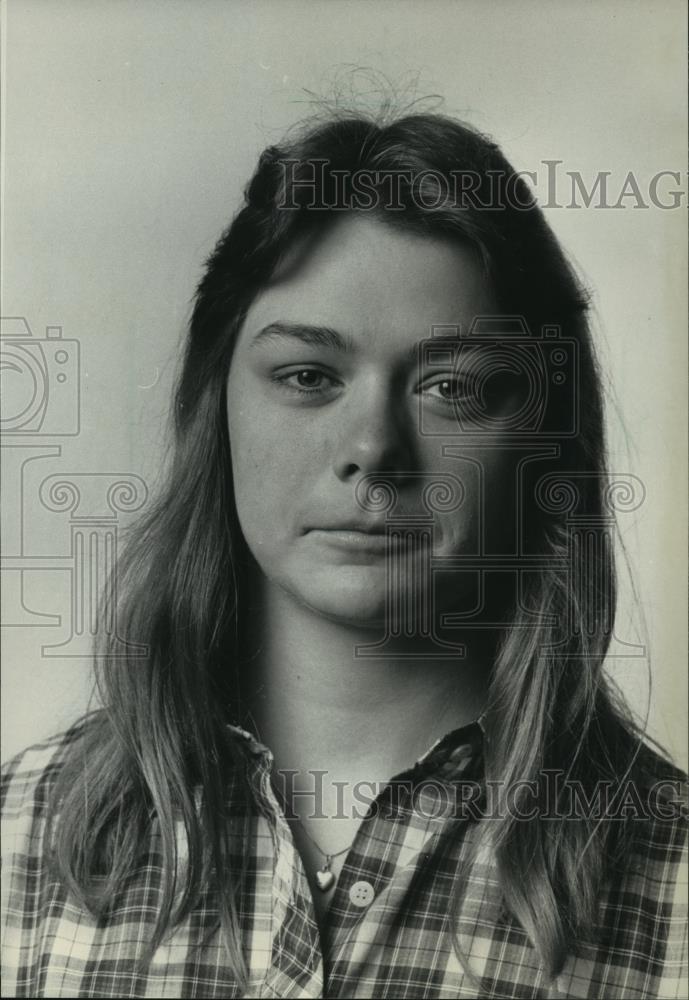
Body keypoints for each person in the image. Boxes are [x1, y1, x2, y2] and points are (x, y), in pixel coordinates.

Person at [2, 108, 687, 999]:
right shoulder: (18, 837)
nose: (374, 447)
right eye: (308, 376)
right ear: (215, 412)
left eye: (455, 387)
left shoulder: (670, 874)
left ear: (544, 442)